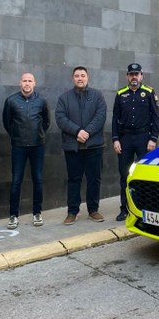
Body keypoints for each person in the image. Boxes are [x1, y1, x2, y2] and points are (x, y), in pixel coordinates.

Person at [54, 66, 107, 225]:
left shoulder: (97, 96)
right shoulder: (65, 98)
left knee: (94, 179)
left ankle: (93, 210)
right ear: (73, 79)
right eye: (77, 76)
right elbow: (60, 118)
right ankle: (72, 211)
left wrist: (87, 132)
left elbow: (101, 115)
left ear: (87, 78)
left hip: (94, 146)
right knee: (73, 180)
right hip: (73, 146)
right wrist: (77, 131)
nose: (80, 78)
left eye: (82, 75)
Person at [112, 63, 159, 221]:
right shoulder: (121, 94)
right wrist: (115, 139)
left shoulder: (148, 93)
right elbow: (115, 119)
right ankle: (124, 208)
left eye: (137, 74)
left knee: (145, 175)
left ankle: (146, 209)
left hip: (144, 139)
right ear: (127, 76)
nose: (134, 77)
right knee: (124, 175)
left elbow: (155, 117)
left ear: (141, 76)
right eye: (131, 74)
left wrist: (153, 138)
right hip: (125, 139)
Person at [2, 72, 50, 229]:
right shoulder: (11, 101)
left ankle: (37, 213)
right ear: (20, 83)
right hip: (18, 146)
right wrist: (17, 135)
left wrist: (39, 134)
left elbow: (46, 121)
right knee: (16, 180)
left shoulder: (41, 100)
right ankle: (13, 215)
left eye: (30, 81)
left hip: (37, 146)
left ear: (34, 83)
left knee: (38, 179)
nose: (27, 83)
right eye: (24, 81)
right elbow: (7, 123)